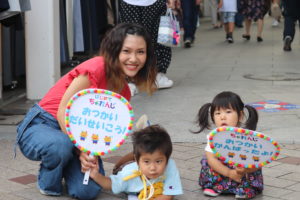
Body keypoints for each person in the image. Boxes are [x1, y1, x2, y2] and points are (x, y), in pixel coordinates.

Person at [15, 23, 157, 199]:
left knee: (87, 191)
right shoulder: (96, 67)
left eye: (140, 52)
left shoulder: (124, 93)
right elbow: (62, 112)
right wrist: (81, 150)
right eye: (126, 51)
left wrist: (90, 154)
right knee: (60, 145)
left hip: (79, 136)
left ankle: (65, 161)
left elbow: (100, 129)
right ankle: (48, 180)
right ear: (114, 51)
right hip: (45, 123)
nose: (134, 58)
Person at [194, 91, 263, 199]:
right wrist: (229, 172)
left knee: (253, 162)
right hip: (222, 172)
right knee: (208, 160)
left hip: (241, 172)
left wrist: (244, 169)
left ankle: (244, 189)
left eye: (228, 112)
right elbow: (211, 159)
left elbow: (257, 161)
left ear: (240, 115)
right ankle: (214, 186)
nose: (222, 117)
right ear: (212, 117)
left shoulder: (246, 136)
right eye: (217, 113)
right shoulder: (213, 137)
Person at [86, 125, 183, 199]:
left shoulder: (170, 165)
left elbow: (169, 195)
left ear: (167, 158)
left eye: (158, 161)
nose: (153, 168)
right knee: (118, 168)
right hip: (126, 168)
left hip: (138, 163)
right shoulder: (128, 174)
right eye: (147, 162)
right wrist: (96, 176)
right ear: (137, 160)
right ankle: (128, 158)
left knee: (146, 154)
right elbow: (111, 184)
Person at [119, 0, 177, 94]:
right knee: (131, 40)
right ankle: (130, 78)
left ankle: (156, 74)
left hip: (155, 2)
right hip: (130, 2)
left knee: (159, 37)